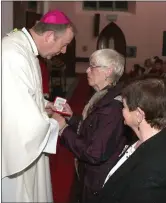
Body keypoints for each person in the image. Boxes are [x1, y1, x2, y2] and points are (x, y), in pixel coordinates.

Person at [2, 10, 75, 202]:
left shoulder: (27, 51)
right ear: (50, 36)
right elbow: (19, 115)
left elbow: (23, 96)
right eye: (64, 44)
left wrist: (45, 105)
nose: (64, 51)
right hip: (17, 153)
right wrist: (54, 124)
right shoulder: (13, 53)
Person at [52, 49, 128, 203]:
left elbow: (94, 152)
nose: (87, 70)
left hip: (98, 182)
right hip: (91, 176)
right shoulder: (105, 95)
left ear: (108, 71)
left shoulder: (111, 108)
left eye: (93, 66)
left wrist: (64, 129)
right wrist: (71, 118)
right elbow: (93, 129)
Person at [89, 77, 166, 203]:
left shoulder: (151, 168)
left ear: (139, 115)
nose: (121, 111)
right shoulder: (143, 140)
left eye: (124, 106)